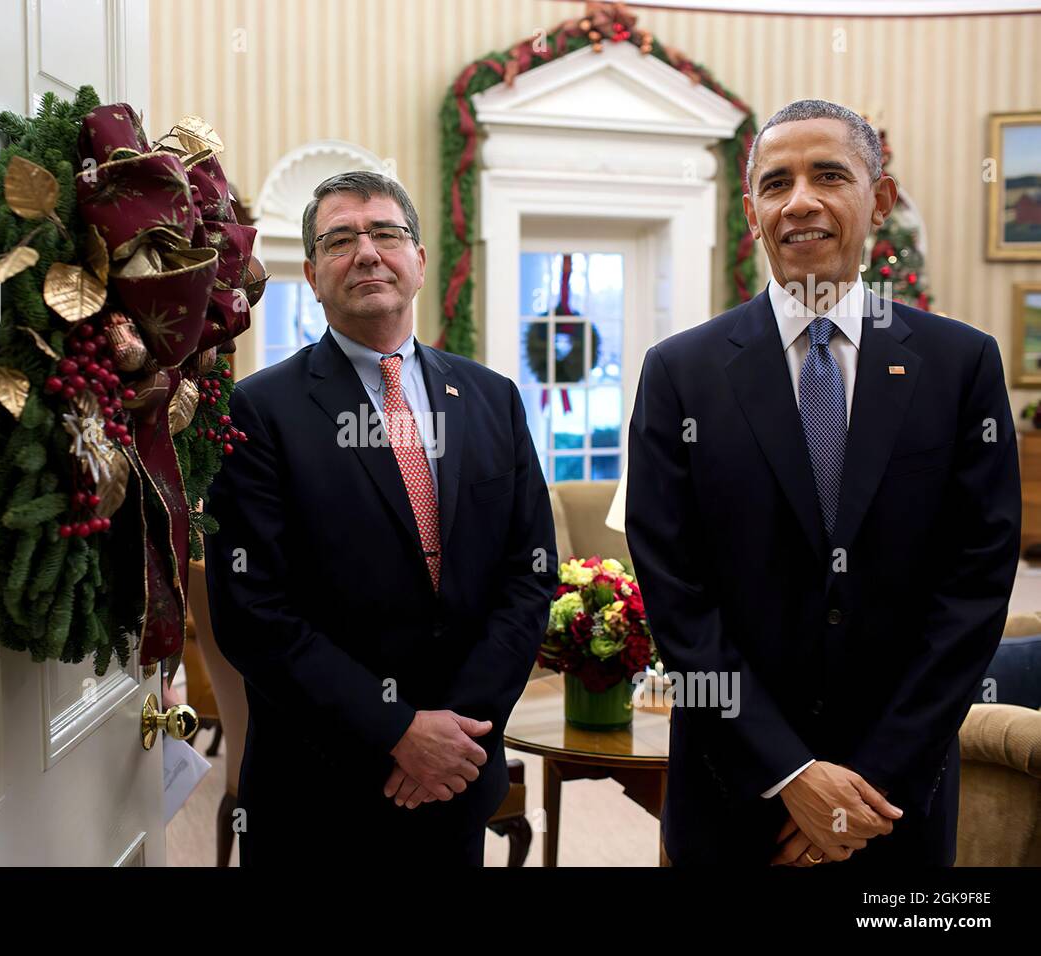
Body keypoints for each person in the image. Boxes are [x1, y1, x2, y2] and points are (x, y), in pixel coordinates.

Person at [625, 99, 1021, 866]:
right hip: (735, 795)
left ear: (878, 198)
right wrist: (790, 774)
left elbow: (974, 591)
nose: (799, 200)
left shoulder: (959, 366)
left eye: (829, 175)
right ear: (753, 212)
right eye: (777, 183)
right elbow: (679, 597)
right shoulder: (680, 374)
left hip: (895, 805)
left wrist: (866, 785)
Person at [205, 170, 557, 866]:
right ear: (311, 273)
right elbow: (252, 611)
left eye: (386, 234)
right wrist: (397, 730)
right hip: (318, 791)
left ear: (420, 260)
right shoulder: (257, 411)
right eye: (340, 240)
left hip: (456, 777)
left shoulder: (493, 398)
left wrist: (455, 736)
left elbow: (528, 576)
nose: (366, 253)